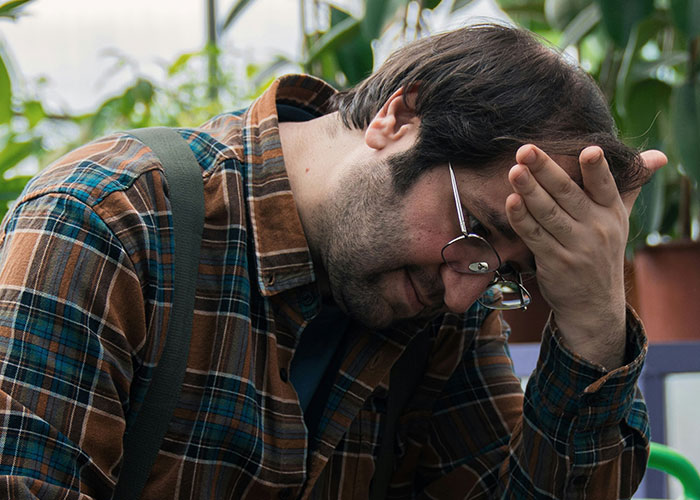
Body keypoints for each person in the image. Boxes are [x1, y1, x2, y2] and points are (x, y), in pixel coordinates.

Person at [0, 23, 666, 499]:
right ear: (398, 118)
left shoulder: (444, 299)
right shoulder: (111, 223)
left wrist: (594, 324)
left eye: (503, 275)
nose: (464, 292)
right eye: (477, 228)